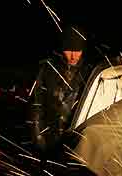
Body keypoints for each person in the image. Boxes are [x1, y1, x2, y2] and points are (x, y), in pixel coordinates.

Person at [28, 24, 92, 162]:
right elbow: (36, 104)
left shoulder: (89, 72)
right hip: (51, 138)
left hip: (77, 139)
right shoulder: (47, 69)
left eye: (78, 50)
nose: (73, 56)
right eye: (69, 50)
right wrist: (38, 136)